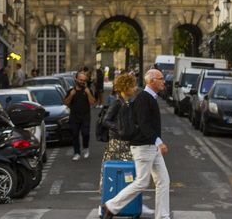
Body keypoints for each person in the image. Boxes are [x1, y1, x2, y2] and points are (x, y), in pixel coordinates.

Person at [102, 69, 170, 219]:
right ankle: (111, 205)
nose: (163, 81)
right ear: (152, 81)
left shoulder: (149, 97)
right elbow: (144, 125)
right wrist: (159, 142)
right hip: (143, 147)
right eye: (161, 78)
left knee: (163, 181)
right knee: (142, 182)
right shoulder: (144, 99)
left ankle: (163, 216)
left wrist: (156, 144)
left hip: (150, 147)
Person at [64, 70, 96, 160]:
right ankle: (77, 153)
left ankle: (86, 148)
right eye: (80, 80)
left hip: (85, 116)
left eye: (84, 80)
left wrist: (88, 92)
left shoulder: (87, 90)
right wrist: (71, 95)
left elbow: (93, 102)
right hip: (74, 117)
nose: (82, 82)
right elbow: (66, 103)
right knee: (74, 134)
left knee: (85, 134)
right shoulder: (71, 91)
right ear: (76, 79)